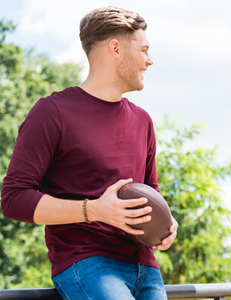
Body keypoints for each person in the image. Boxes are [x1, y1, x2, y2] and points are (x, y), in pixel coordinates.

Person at [1, 6, 177, 300]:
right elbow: (13, 199)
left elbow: (151, 191)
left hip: (146, 267)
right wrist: (93, 209)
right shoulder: (52, 112)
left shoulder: (143, 120)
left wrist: (166, 225)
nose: (150, 60)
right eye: (144, 50)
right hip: (87, 263)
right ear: (116, 49)